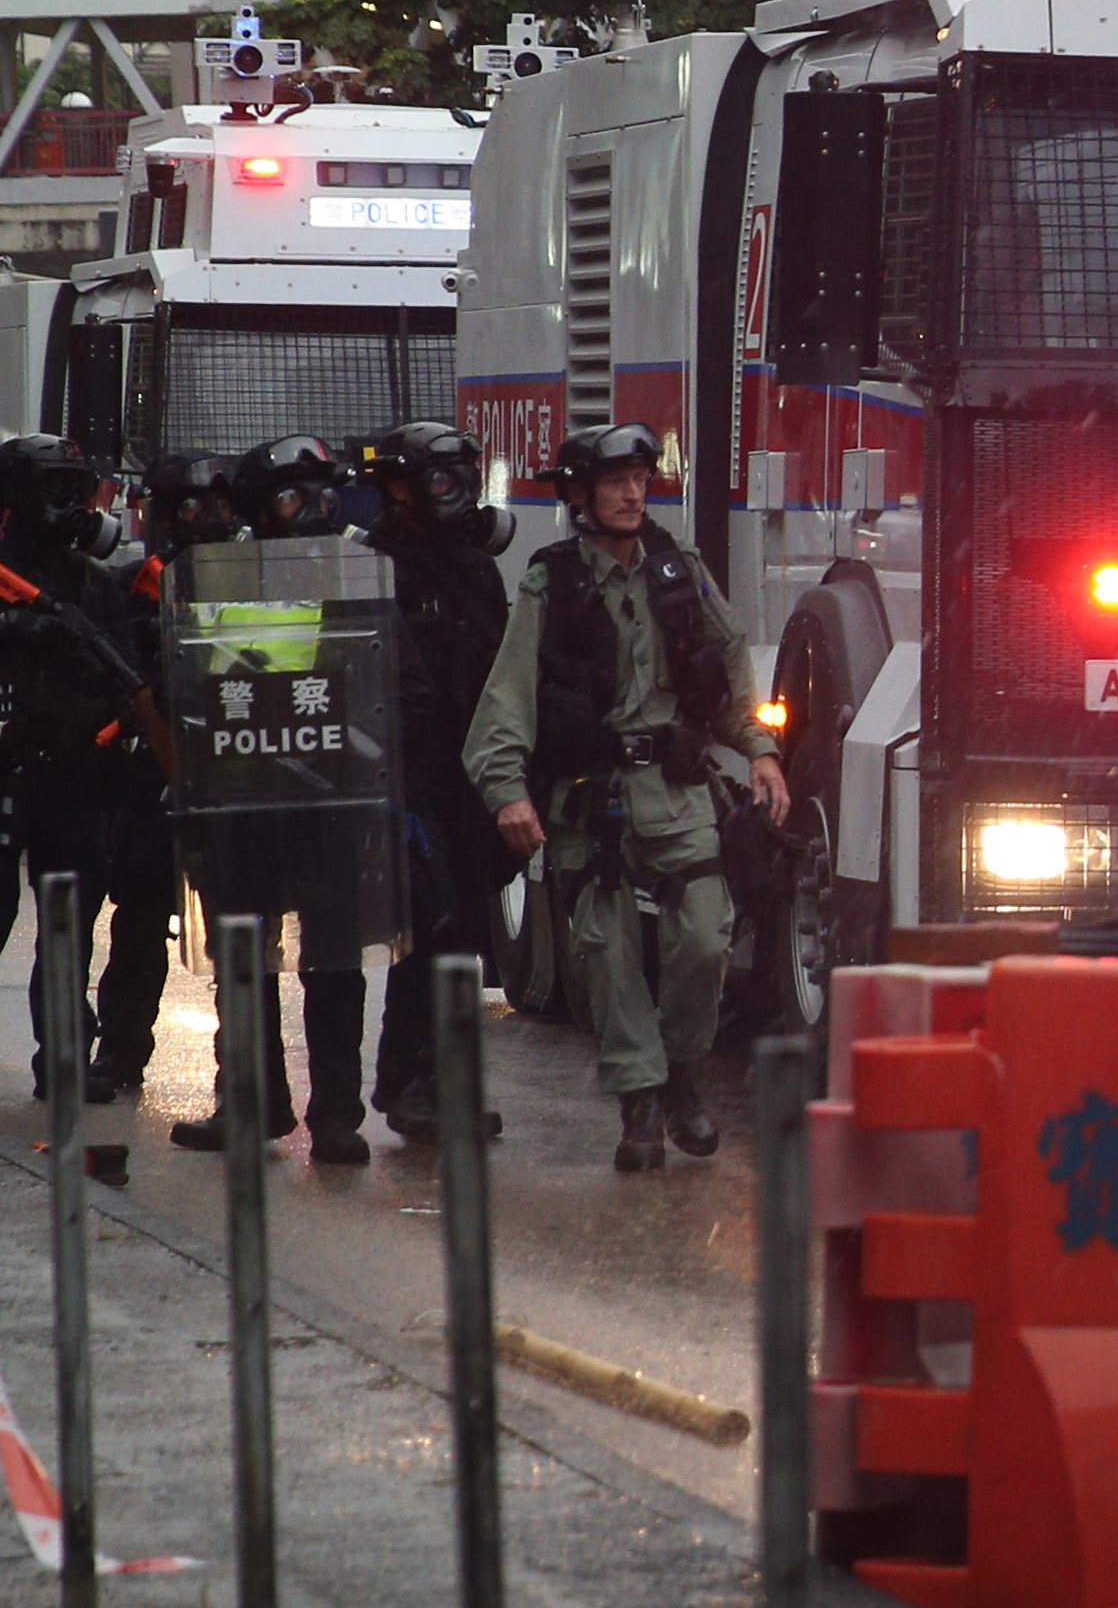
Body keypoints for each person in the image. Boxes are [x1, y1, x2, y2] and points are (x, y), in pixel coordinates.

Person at [461, 424, 788, 1170]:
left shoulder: (681, 572)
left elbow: (731, 665)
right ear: (580, 496)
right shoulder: (551, 583)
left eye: (640, 478)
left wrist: (762, 752)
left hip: (676, 789)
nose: (633, 493)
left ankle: (677, 1072)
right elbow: (506, 702)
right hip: (591, 796)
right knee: (605, 954)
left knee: (705, 939)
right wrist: (509, 791)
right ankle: (640, 1102)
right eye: (615, 482)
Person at [167, 437, 384, 1161]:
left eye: (325, 496)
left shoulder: (359, 576)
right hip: (243, 800)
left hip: (331, 802)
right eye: (294, 497)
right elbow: (186, 678)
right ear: (260, 509)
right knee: (243, 959)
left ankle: (337, 1117)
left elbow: (393, 683)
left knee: (333, 962)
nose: (315, 514)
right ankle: (253, 1104)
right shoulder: (216, 578)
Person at [358, 423, 518, 1143]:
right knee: (430, 923)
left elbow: (503, 673)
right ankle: (408, 1079)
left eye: (463, 477)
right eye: (437, 479)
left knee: (467, 932)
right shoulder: (372, 568)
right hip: (406, 778)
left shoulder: (477, 570)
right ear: (398, 488)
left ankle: (441, 1080)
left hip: (470, 776)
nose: (453, 494)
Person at [0, 435, 164, 1104]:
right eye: (54, 489)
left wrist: (112, 722)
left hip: (73, 774)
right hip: (8, 772)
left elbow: (127, 681)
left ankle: (65, 1055)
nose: (69, 505)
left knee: (67, 924)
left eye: (77, 488)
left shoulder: (93, 587)